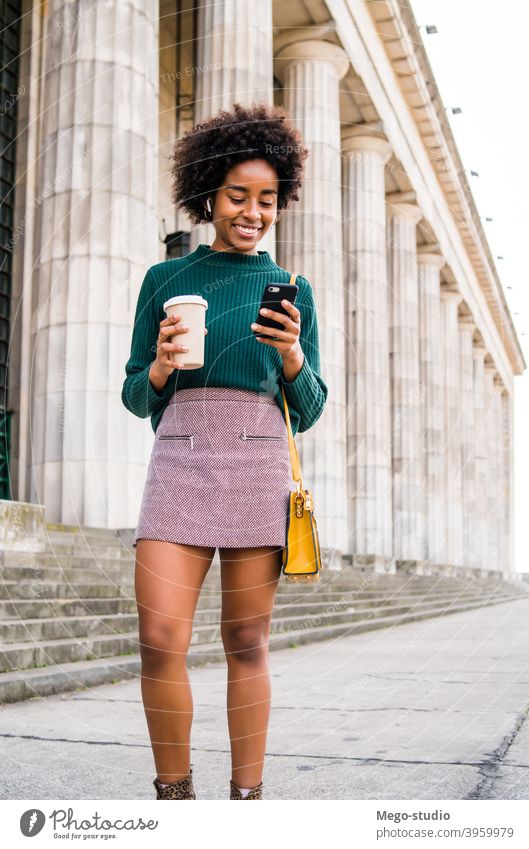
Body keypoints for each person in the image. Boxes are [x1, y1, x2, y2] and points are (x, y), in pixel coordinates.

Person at [121, 101, 328, 800]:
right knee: (158, 635)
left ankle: (246, 800)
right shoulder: (164, 281)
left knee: (246, 639)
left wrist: (294, 354)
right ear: (210, 192)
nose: (252, 211)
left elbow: (313, 406)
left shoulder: (292, 290)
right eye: (239, 195)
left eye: (267, 199)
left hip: (258, 459)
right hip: (179, 456)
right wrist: (158, 366)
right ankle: (174, 795)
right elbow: (132, 393)